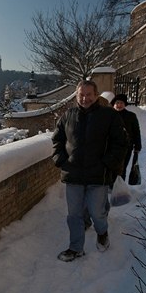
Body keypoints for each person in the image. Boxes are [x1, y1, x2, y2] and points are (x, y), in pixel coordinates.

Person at [52, 80, 127, 262]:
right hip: (73, 175)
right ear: (77, 95)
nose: (85, 98)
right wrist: (61, 160)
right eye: (81, 95)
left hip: (98, 175)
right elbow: (57, 140)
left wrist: (107, 163)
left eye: (89, 95)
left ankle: (102, 232)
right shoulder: (68, 115)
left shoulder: (108, 115)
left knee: (96, 212)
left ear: (96, 95)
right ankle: (76, 248)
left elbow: (121, 142)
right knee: (74, 215)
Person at [111, 94, 142, 180]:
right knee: (111, 167)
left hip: (126, 147)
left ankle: (120, 187)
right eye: (117, 103)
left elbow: (136, 131)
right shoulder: (109, 115)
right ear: (113, 104)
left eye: (121, 103)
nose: (119, 105)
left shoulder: (131, 116)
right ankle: (110, 187)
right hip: (111, 147)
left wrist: (137, 145)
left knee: (122, 168)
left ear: (125, 104)